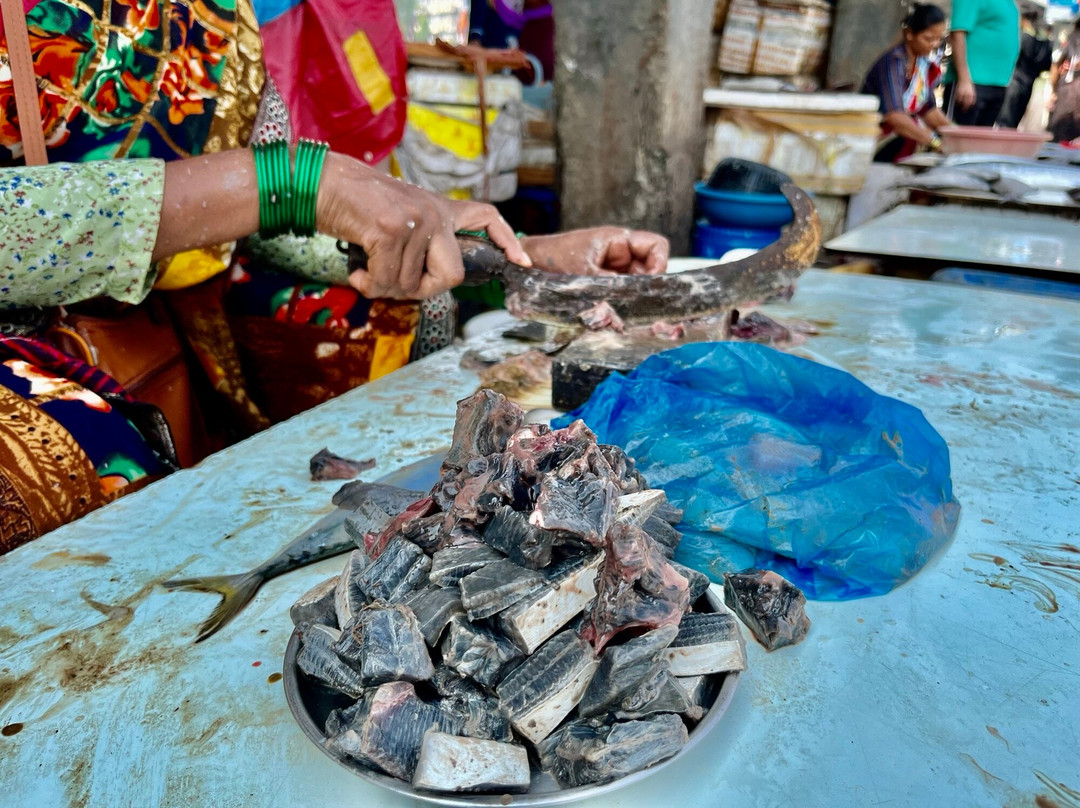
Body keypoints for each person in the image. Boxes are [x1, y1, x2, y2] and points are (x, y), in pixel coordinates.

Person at [0, 0, 669, 553]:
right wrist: (293, 180)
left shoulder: (200, 19)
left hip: (169, 322)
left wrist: (510, 258)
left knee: (410, 316)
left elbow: (260, 229)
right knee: (57, 460)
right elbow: (274, 187)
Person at [862, 4, 953, 163]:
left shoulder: (922, 65)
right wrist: (934, 142)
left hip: (899, 141)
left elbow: (928, 110)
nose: (934, 44)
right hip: (873, 141)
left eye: (938, 39)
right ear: (910, 34)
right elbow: (894, 116)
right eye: (928, 38)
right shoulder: (893, 63)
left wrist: (956, 134)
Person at [942, 0, 1021, 125]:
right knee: (958, 140)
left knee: (980, 142)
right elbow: (958, 34)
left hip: (998, 84)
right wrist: (964, 80)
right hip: (971, 83)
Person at [996, 5, 1054, 128]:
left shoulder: (1021, 38)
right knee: (1015, 123)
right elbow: (1047, 66)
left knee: (1005, 123)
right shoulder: (1045, 42)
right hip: (1029, 86)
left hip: (1014, 83)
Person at [1048, 19, 1080, 144]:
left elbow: (1056, 66)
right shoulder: (1072, 38)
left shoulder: (1072, 37)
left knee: (1057, 139)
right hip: (1070, 93)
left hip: (1067, 92)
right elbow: (1056, 66)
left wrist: (1054, 91)